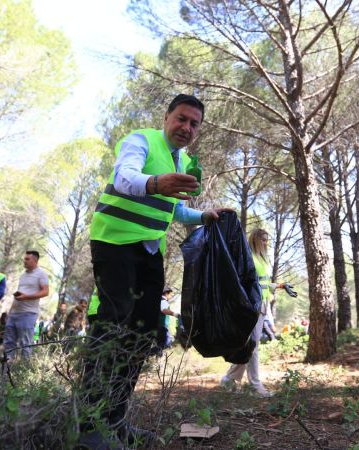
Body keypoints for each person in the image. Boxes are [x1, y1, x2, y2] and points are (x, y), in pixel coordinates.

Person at [80, 94, 231, 448]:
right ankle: (88, 428)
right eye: (181, 119)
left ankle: (114, 421)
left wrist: (203, 216)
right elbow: (124, 178)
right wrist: (155, 183)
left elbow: (172, 211)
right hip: (115, 244)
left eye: (194, 124)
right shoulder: (141, 141)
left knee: (140, 334)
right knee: (112, 327)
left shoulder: (184, 160)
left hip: (150, 253)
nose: (187, 128)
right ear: (166, 118)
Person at [221, 228, 293, 398]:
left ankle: (230, 379)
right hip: (251, 305)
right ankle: (254, 384)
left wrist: (281, 286)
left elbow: (265, 283)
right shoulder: (248, 258)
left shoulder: (264, 260)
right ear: (254, 240)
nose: (265, 243)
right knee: (252, 344)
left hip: (263, 305)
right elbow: (244, 283)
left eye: (267, 240)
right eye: (263, 239)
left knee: (250, 345)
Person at [4, 250, 49, 361]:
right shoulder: (23, 275)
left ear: (35, 261)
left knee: (25, 343)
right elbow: (21, 291)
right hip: (14, 313)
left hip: (28, 314)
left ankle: (24, 370)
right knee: (9, 342)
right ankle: (7, 367)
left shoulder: (41, 274)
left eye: (27, 259)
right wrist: (10, 312)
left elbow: (45, 292)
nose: (24, 261)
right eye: (25, 259)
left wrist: (26, 297)